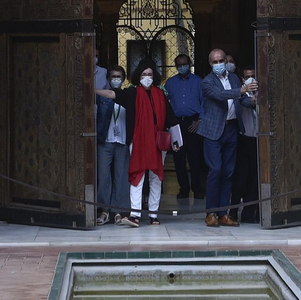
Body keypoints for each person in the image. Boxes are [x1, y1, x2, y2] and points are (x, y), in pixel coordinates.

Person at [97, 63, 176, 226]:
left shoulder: (160, 94)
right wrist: (93, 90)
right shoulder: (132, 93)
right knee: (137, 176)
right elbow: (113, 94)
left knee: (155, 179)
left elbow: (171, 118)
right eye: (143, 74)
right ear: (138, 77)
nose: (147, 77)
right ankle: (135, 215)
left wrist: (176, 141)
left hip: (157, 143)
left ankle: (154, 215)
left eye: (150, 74)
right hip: (138, 142)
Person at [200, 48, 256, 227]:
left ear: (226, 61)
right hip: (213, 131)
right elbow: (221, 95)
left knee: (228, 172)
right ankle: (211, 213)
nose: (218, 64)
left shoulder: (232, 78)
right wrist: (242, 90)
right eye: (214, 62)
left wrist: (252, 101)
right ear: (210, 64)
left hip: (232, 129)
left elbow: (240, 101)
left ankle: (223, 213)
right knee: (215, 170)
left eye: (220, 61)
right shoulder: (207, 82)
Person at [162, 53, 205, 200]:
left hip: (194, 123)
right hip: (176, 124)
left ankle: (197, 189)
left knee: (195, 158)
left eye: (184, 64)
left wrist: (200, 120)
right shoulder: (170, 83)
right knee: (178, 158)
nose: (182, 67)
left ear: (189, 63)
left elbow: (204, 102)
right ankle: (184, 189)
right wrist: (168, 124)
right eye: (178, 65)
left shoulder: (199, 81)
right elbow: (166, 103)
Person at [93, 65, 131, 225]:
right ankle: (104, 210)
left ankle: (117, 211)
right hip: (105, 140)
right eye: (113, 76)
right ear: (108, 79)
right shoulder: (102, 96)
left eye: (119, 76)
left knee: (121, 177)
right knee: (103, 177)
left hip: (122, 141)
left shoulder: (128, 96)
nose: (116, 79)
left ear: (123, 79)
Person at [231, 65, 259, 224]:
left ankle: (249, 214)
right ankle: (233, 212)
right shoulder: (239, 94)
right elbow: (245, 103)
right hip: (243, 140)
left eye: (253, 76)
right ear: (243, 79)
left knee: (254, 179)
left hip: (258, 141)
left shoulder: (263, 93)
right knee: (240, 179)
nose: (251, 79)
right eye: (247, 76)